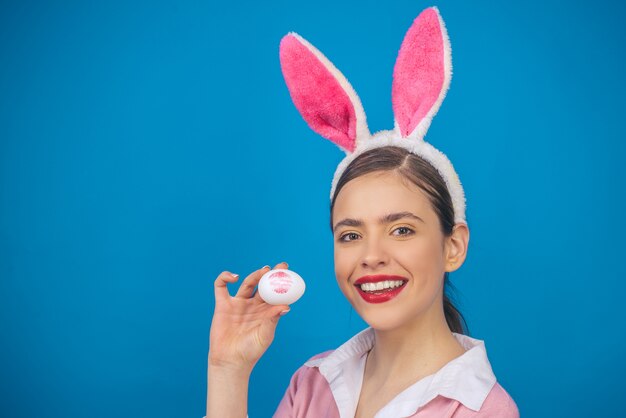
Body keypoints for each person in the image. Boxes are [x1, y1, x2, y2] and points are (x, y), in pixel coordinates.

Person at [206, 6, 520, 417]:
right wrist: (228, 369)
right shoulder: (312, 382)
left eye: (402, 229)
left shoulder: (482, 410)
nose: (371, 255)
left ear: (453, 246)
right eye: (350, 235)